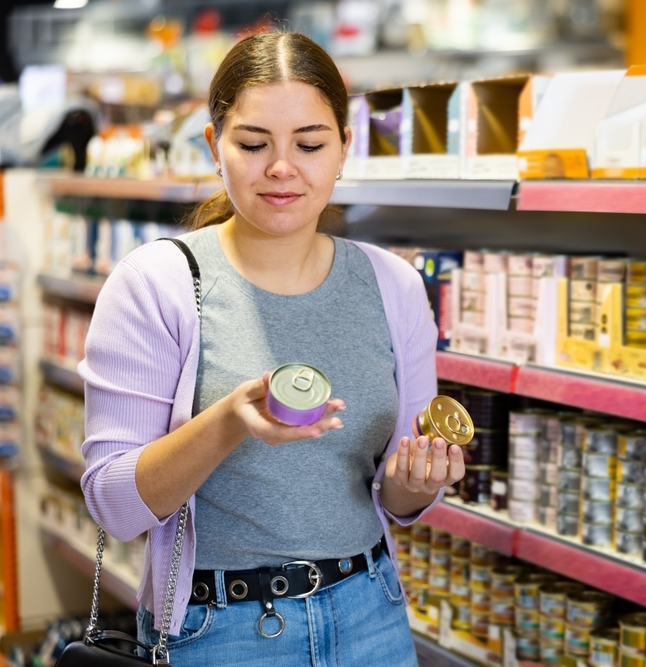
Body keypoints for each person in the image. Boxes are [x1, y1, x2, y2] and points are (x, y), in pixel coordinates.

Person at [79, 30, 464, 666]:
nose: (281, 167)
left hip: (371, 617)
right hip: (215, 631)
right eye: (254, 144)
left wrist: (417, 482)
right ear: (214, 146)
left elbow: (396, 501)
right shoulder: (157, 285)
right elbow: (116, 506)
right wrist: (228, 422)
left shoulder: (393, 285)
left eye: (310, 144)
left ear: (345, 146)